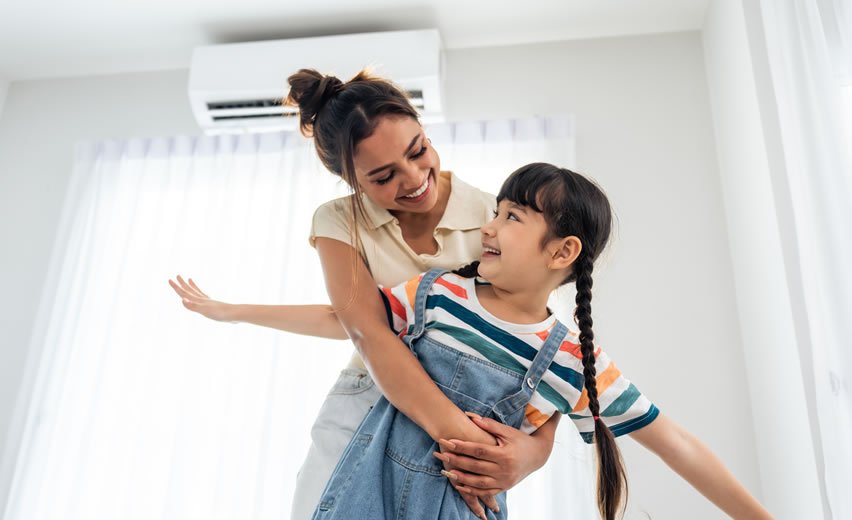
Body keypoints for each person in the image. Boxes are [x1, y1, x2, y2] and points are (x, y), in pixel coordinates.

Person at [243, 163, 772, 520]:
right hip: (367, 496)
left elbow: (676, 444)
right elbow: (347, 319)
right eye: (495, 212)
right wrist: (237, 312)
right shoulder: (438, 292)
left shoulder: (571, 360)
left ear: (562, 252)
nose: (489, 227)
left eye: (511, 217)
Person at [169, 69, 557, 519]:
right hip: (374, 402)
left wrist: (532, 454)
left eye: (419, 151)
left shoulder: (495, 215)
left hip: (472, 414)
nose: (414, 179)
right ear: (352, 181)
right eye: (383, 176)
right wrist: (465, 441)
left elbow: (542, 339)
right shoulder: (341, 221)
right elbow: (365, 329)